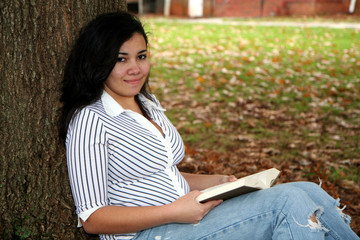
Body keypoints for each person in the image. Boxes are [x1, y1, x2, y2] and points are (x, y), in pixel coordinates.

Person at [59, 11, 359, 240]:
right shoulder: (91, 120)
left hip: (184, 217)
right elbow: (93, 217)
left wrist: (215, 182)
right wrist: (174, 212)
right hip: (150, 234)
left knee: (310, 192)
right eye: (121, 59)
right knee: (288, 203)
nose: (135, 68)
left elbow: (159, 173)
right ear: (98, 62)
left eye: (141, 56)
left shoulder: (146, 102)